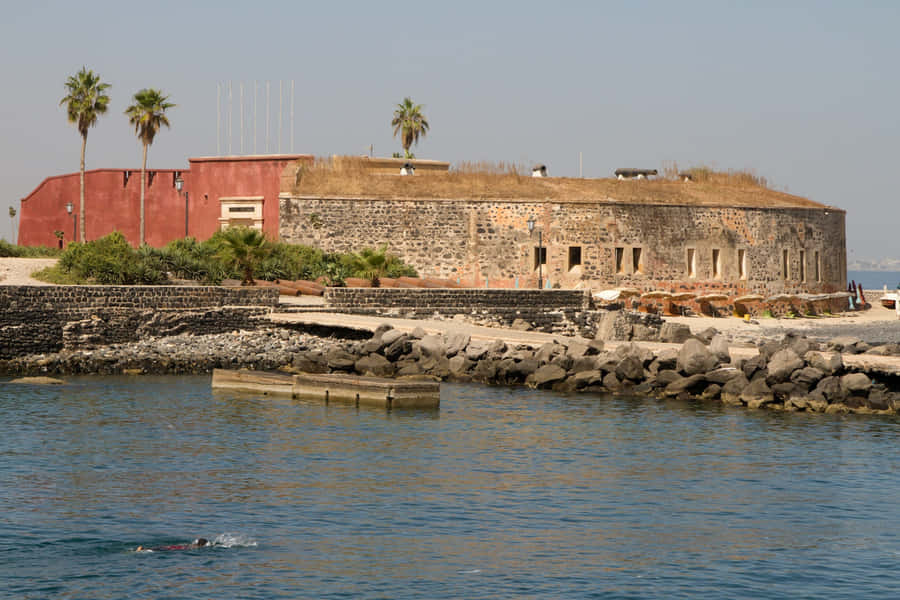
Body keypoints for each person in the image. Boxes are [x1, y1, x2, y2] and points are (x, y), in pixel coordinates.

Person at [136, 538, 210, 552]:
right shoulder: (194, 547)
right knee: (161, 549)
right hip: (175, 548)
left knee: (161, 548)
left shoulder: (192, 544)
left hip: (174, 546)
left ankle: (144, 549)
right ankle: (144, 549)